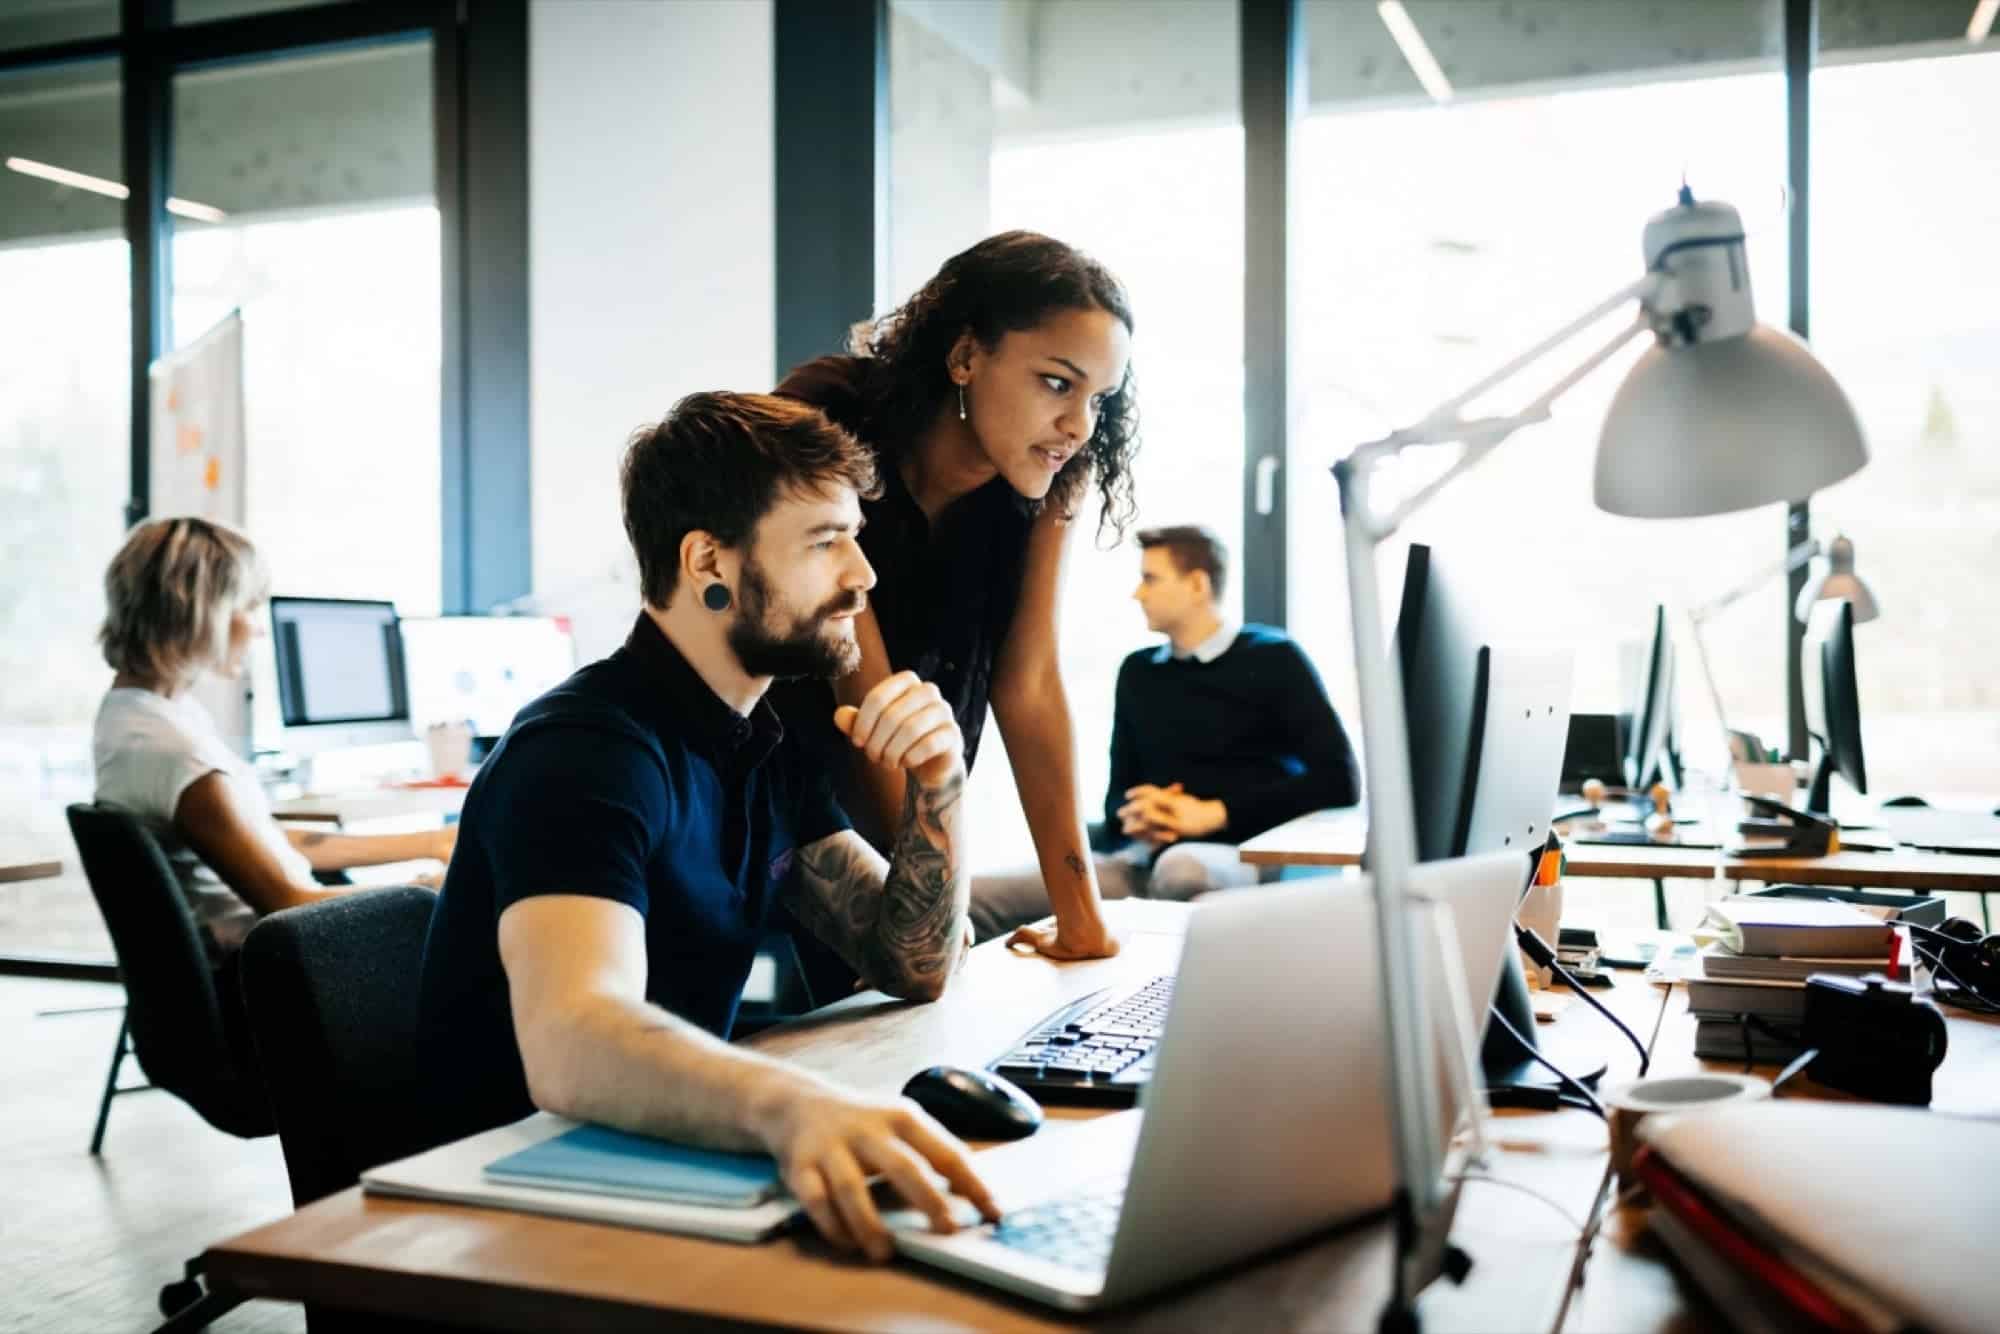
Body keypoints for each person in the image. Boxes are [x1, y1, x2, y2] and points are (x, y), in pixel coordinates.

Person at [417, 392, 999, 1263]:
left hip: (653, 1167)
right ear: (706, 562)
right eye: (824, 540)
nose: (862, 575)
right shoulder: (586, 753)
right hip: (504, 1222)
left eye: (856, 536)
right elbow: (572, 1039)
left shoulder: (760, 736)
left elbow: (909, 963)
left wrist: (938, 786)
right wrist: (790, 1103)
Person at [773, 230, 1136, 963]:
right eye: (1057, 383)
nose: (1079, 426)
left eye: (1100, 398)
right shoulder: (822, 419)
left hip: (913, 792)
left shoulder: (1051, 476)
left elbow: (1029, 685)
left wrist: (1081, 918)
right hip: (783, 793)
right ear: (966, 356)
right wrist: (929, 898)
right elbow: (863, 688)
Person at [93, 516, 456, 970]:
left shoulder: (136, 715)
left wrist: (431, 842)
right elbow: (288, 899)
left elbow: (267, 842)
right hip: (284, 978)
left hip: (272, 960)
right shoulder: (175, 752)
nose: (259, 629)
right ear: (202, 612)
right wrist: (427, 890)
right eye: (249, 607)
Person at [967, 525, 1360, 940]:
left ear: (1197, 585)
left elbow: (1340, 781)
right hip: (1142, 860)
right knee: (972, 897)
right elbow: (1119, 793)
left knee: (1181, 869)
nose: (1138, 593)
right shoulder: (1137, 673)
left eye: (1150, 579)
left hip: (1234, 856)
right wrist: (1140, 815)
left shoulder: (1275, 659)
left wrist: (1213, 814)